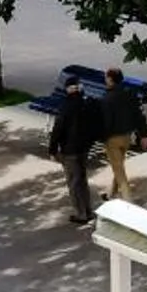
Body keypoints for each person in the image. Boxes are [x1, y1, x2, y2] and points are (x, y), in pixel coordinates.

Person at [46, 73, 98, 224]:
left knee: (74, 182)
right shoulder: (86, 104)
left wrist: (52, 149)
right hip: (83, 148)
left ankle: (81, 214)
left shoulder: (66, 107)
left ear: (68, 90)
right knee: (82, 179)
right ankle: (88, 210)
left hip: (70, 150)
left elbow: (58, 129)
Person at [100, 66, 140, 200]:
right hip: (127, 136)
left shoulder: (107, 98)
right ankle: (111, 194)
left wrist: (102, 138)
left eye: (106, 77)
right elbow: (138, 114)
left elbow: (106, 122)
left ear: (110, 79)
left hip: (113, 139)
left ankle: (129, 202)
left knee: (120, 173)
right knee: (119, 166)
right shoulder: (129, 94)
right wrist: (144, 134)